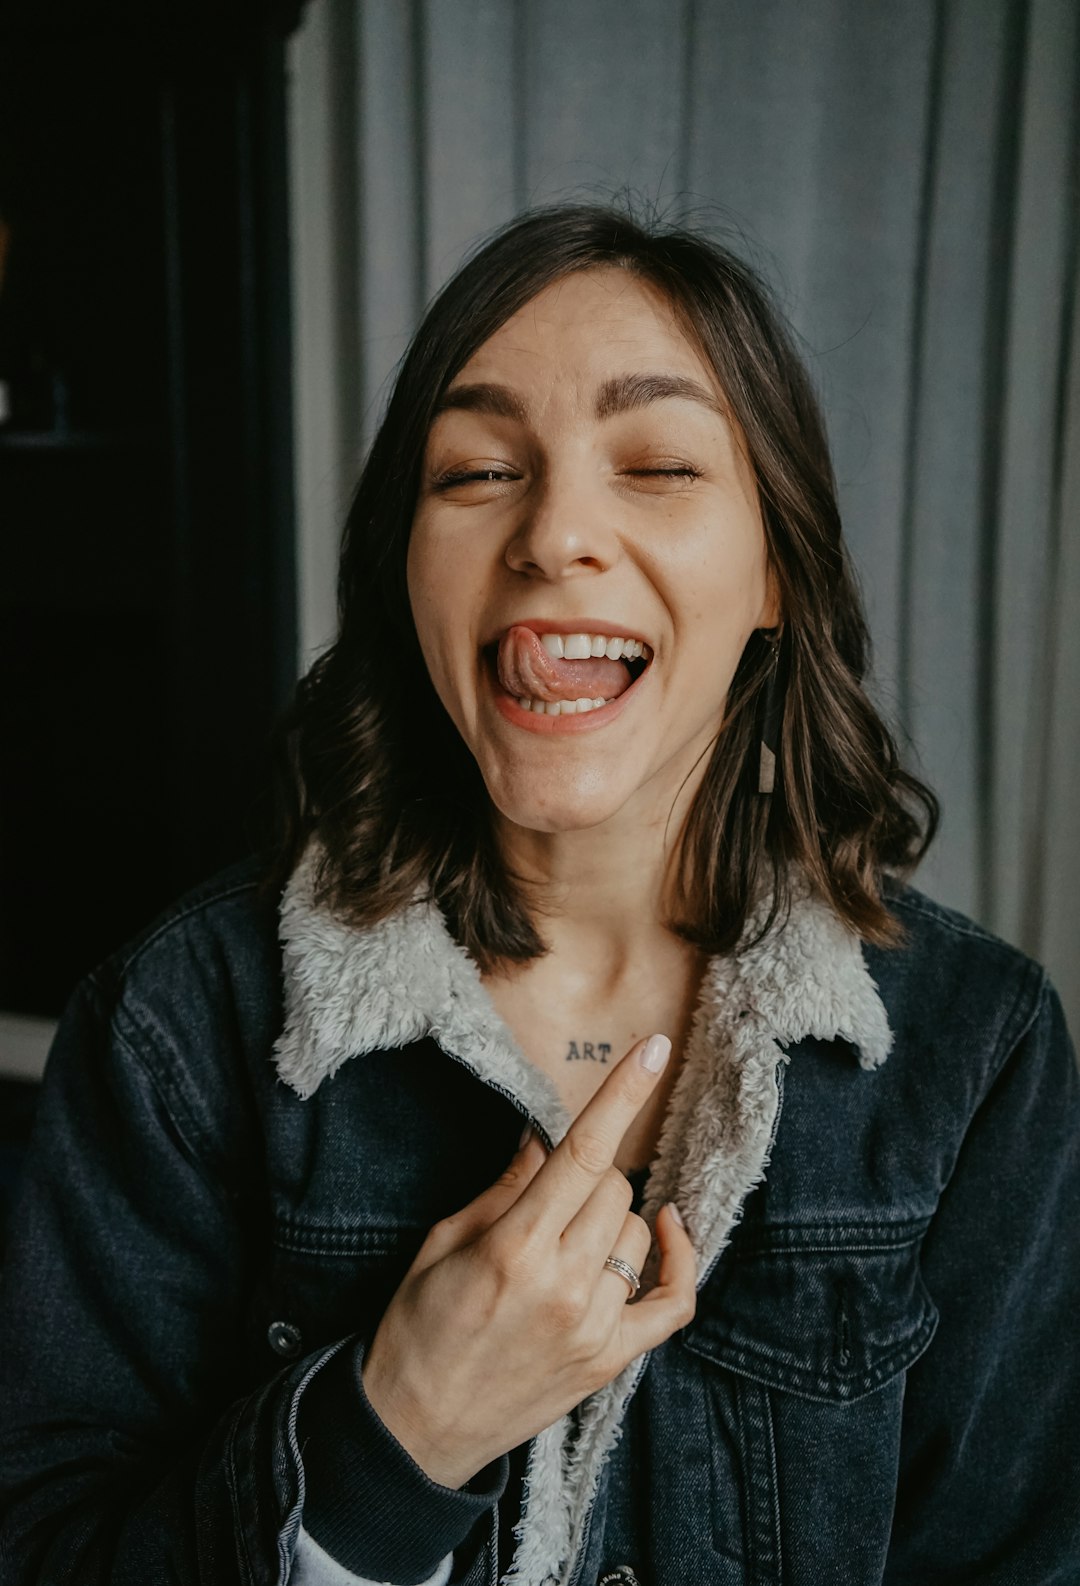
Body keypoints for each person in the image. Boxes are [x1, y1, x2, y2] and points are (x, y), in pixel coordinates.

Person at [1, 203, 1078, 1586]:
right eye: (478, 470)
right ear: (407, 570)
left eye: (661, 464)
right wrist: (389, 1439)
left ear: (777, 575)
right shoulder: (176, 1029)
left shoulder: (981, 1051)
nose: (556, 530)